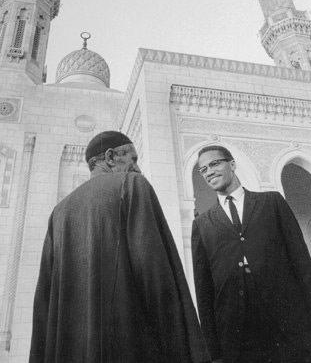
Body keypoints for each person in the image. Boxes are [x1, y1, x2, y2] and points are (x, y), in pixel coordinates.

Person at [29, 131, 210, 363]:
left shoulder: (59, 212)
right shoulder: (132, 184)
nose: (138, 168)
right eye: (133, 160)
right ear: (111, 157)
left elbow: (43, 295)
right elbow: (156, 275)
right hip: (128, 345)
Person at [191, 144, 311, 363]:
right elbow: (204, 290)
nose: (209, 172)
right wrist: (212, 351)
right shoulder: (202, 224)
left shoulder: (271, 202)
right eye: (203, 170)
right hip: (238, 335)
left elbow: (302, 263)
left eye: (214, 164)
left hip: (288, 324)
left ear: (232, 164)